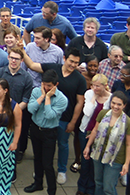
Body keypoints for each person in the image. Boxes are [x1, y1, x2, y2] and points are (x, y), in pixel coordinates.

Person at [23, 47, 88, 186]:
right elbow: (33, 65)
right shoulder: (53, 69)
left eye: (76, 63)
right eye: (71, 61)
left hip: (65, 118)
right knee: (46, 146)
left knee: (63, 144)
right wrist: (22, 51)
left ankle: (61, 170)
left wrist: (73, 122)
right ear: (65, 58)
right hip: (45, 118)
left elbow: (79, 102)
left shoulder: (80, 79)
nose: (73, 65)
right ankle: (41, 170)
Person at [25, 70, 68, 195]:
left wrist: (48, 97)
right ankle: (37, 183)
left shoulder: (62, 100)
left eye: (49, 86)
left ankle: (51, 190)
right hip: (35, 129)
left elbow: (49, 115)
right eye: (44, 84)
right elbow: (31, 109)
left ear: (56, 85)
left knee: (47, 164)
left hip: (49, 132)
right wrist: (42, 96)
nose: (46, 87)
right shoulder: (37, 91)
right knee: (37, 158)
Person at [82, 91, 130, 195]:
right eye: (113, 103)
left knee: (108, 188)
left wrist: (126, 164)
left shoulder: (128, 123)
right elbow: (95, 130)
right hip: (98, 153)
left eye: (119, 104)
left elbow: (129, 144)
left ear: (124, 105)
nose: (115, 106)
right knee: (98, 183)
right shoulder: (103, 113)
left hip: (115, 158)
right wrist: (88, 146)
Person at [0, 46, 34, 164]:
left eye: (17, 58)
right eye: (12, 58)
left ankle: (14, 160)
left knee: (16, 138)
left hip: (17, 112)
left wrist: (12, 112)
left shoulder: (27, 77)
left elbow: (25, 101)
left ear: (22, 60)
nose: (14, 61)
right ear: (8, 58)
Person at [76, 74, 111, 195]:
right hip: (86, 130)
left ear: (105, 86)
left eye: (98, 86)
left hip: (100, 135)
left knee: (94, 163)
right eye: (93, 85)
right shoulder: (89, 93)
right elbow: (87, 112)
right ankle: (81, 187)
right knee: (85, 161)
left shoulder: (111, 99)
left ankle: (91, 188)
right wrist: (94, 97)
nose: (94, 88)